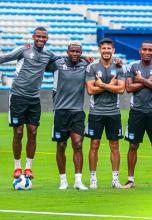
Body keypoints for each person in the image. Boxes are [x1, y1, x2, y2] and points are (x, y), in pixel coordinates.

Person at [0, 27, 59, 180]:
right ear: (33, 37)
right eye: (38, 36)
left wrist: (85, 58)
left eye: (44, 37)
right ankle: (17, 167)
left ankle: (28, 168)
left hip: (34, 98)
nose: (41, 39)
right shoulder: (23, 50)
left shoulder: (48, 54)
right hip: (17, 96)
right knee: (18, 132)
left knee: (33, 132)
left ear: (47, 38)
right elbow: (4, 58)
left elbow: (65, 61)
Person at [124, 40, 152, 188]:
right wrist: (148, 81)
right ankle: (130, 180)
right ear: (140, 51)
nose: (147, 52)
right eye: (145, 49)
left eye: (150, 50)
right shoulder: (132, 66)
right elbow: (129, 88)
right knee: (133, 145)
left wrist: (142, 80)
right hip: (136, 111)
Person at [46, 42, 88, 190]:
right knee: (61, 145)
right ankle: (63, 180)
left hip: (77, 111)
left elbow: (102, 64)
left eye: (78, 52)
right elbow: (40, 63)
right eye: (72, 51)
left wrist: (117, 62)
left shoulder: (85, 65)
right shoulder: (57, 64)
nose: (75, 54)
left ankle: (78, 181)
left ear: (81, 53)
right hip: (60, 111)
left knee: (78, 144)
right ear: (67, 52)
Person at [85, 38, 126, 189]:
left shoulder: (119, 67)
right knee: (94, 144)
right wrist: (109, 85)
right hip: (96, 112)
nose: (106, 51)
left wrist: (101, 84)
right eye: (104, 48)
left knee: (114, 145)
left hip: (113, 112)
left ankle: (115, 179)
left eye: (109, 48)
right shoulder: (92, 67)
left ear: (113, 50)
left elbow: (121, 90)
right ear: (99, 50)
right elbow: (90, 90)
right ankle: (93, 179)